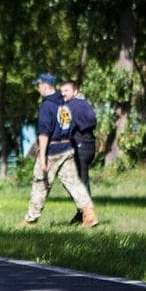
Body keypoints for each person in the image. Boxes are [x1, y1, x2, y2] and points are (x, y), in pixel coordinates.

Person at [24, 72, 98, 228]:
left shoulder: (47, 105)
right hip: (67, 148)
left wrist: (42, 156)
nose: (38, 88)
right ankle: (89, 214)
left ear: (45, 85)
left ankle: (30, 220)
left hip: (52, 150)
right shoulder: (63, 102)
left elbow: (44, 133)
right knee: (74, 183)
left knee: (40, 183)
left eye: (39, 85)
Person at [59, 79, 98, 222]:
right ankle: (82, 212)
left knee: (77, 182)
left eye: (66, 90)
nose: (63, 93)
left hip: (79, 146)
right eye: (61, 91)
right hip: (89, 145)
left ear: (75, 91)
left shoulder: (69, 107)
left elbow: (65, 128)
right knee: (80, 180)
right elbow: (93, 122)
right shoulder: (85, 104)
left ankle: (87, 214)